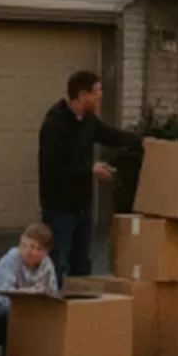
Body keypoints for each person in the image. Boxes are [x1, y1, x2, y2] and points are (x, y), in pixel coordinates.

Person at [38, 71, 143, 284]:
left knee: (82, 266)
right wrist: (90, 169)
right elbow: (52, 167)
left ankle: (80, 313)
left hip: (83, 207)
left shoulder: (88, 120)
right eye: (97, 91)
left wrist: (143, 142)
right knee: (56, 264)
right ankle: (51, 310)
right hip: (59, 208)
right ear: (82, 94)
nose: (100, 96)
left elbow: (111, 135)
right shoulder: (55, 123)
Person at [0, 223, 59, 356]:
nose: (28, 251)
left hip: (29, 313)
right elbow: (2, 293)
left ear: (45, 252)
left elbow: (52, 295)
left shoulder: (47, 266)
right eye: (24, 245)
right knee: (9, 311)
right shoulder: (11, 259)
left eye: (35, 248)